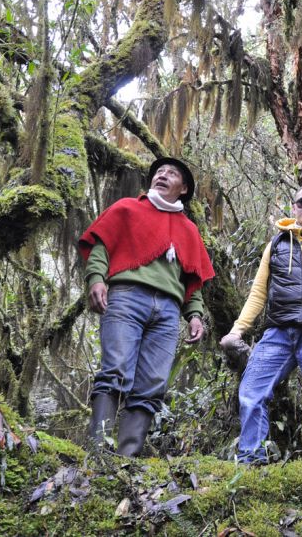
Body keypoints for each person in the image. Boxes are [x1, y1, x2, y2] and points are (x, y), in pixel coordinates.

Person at [79, 157, 215, 457]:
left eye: (172, 174)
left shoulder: (189, 229)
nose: (163, 175)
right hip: (127, 296)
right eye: (159, 172)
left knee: (152, 383)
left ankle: (127, 458)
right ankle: (98, 452)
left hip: (168, 310)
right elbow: (102, 246)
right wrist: (97, 279)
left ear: (184, 189)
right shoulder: (128, 208)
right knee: (115, 369)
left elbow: (191, 278)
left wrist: (194, 315)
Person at [219, 184, 302, 463]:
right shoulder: (275, 245)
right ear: (293, 207)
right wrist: (237, 330)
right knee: (252, 392)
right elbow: (258, 293)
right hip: (277, 331)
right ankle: (250, 461)